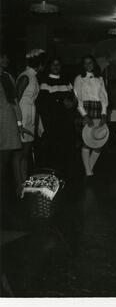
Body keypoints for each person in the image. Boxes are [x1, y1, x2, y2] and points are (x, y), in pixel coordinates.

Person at [37, 57, 77, 174]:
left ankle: (66, 175)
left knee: (67, 150)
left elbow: (74, 98)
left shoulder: (67, 81)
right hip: (53, 123)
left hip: (67, 122)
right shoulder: (45, 82)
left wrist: (72, 103)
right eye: (53, 65)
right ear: (49, 66)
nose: (56, 67)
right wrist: (60, 101)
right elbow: (44, 104)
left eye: (58, 64)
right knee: (54, 151)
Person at [0, 52, 29, 198]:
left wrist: (19, 123)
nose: (6, 59)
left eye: (5, 56)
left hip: (8, 121)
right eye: (2, 57)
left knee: (5, 156)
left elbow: (15, 102)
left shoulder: (7, 77)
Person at [74, 55, 108, 178]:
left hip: (98, 110)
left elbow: (104, 97)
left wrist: (104, 114)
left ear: (94, 64)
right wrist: (84, 115)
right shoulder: (79, 79)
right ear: (83, 65)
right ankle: (88, 172)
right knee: (86, 141)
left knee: (98, 142)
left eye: (90, 62)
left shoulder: (99, 78)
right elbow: (78, 99)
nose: (88, 65)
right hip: (86, 110)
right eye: (86, 63)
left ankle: (89, 169)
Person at [16, 49, 46, 182]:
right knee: (20, 153)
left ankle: (23, 180)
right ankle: (20, 182)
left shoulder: (33, 76)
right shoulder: (25, 76)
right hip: (22, 115)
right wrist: (18, 122)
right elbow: (15, 100)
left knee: (26, 152)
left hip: (30, 115)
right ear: (40, 64)